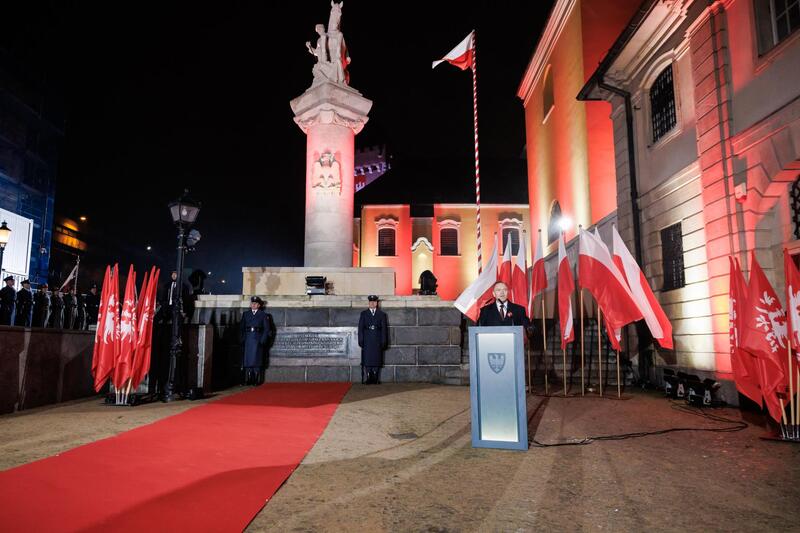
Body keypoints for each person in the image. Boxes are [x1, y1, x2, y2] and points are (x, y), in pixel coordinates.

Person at [240, 296, 271, 385]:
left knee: (256, 359)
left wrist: (262, 340)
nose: (253, 305)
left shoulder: (263, 315)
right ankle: (249, 378)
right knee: (248, 359)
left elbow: (266, 329)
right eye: (252, 303)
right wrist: (242, 338)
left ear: (259, 305)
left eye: (256, 304)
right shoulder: (246, 314)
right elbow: (241, 327)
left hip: (257, 338)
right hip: (248, 337)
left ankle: (256, 379)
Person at [358, 294, 388, 384]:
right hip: (367, 339)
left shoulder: (382, 314)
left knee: (376, 358)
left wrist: (384, 340)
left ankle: (375, 377)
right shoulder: (363, 314)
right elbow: (360, 328)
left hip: (377, 338)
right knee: (367, 358)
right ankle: (368, 376)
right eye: (371, 302)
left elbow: (384, 329)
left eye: (374, 302)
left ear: (377, 303)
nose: (372, 303)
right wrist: (361, 340)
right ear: (369, 303)